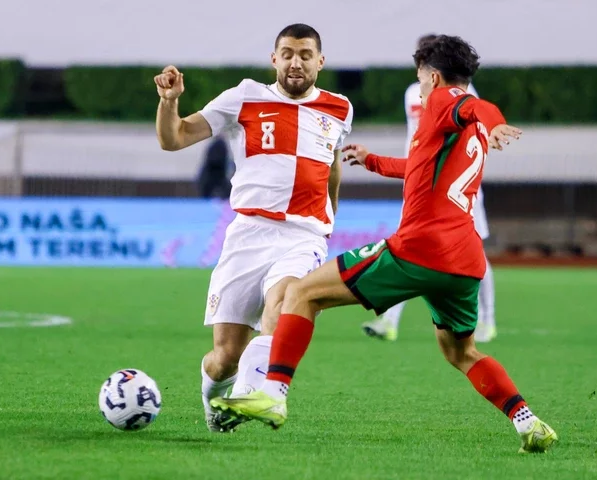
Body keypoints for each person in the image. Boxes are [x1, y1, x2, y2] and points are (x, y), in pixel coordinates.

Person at [211, 35, 557, 453]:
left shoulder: (443, 99)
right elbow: (423, 166)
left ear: (432, 75)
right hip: (465, 259)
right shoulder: (466, 133)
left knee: (300, 293)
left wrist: (495, 118)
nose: (421, 86)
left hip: (421, 247)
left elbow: (472, 106)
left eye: (420, 78)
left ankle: (273, 396)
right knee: (461, 351)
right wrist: (374, 161)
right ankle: (528, 422)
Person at [154, 23, 353, 432]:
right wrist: (168, 102)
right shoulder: (244, 97)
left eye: (305, 54)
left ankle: (251, 394)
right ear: (274, 58)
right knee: (224, 356)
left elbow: (332, 166)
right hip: (247, 235)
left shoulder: (339, 108)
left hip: (303, 235)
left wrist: (330, 217)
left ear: (320, 61)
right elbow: (173, 139)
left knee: (285, 299)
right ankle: (217, 399)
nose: (296, 62)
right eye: (288, 53)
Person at [362, 34, 496, 343]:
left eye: (423, 65)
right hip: (422, 179)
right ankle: (390, 321)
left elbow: (478, 117)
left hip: (457, 186)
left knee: (473, 250)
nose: (419, 72)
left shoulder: (462, 94)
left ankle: (488, 320)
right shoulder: (415, 92)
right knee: (411, 246)